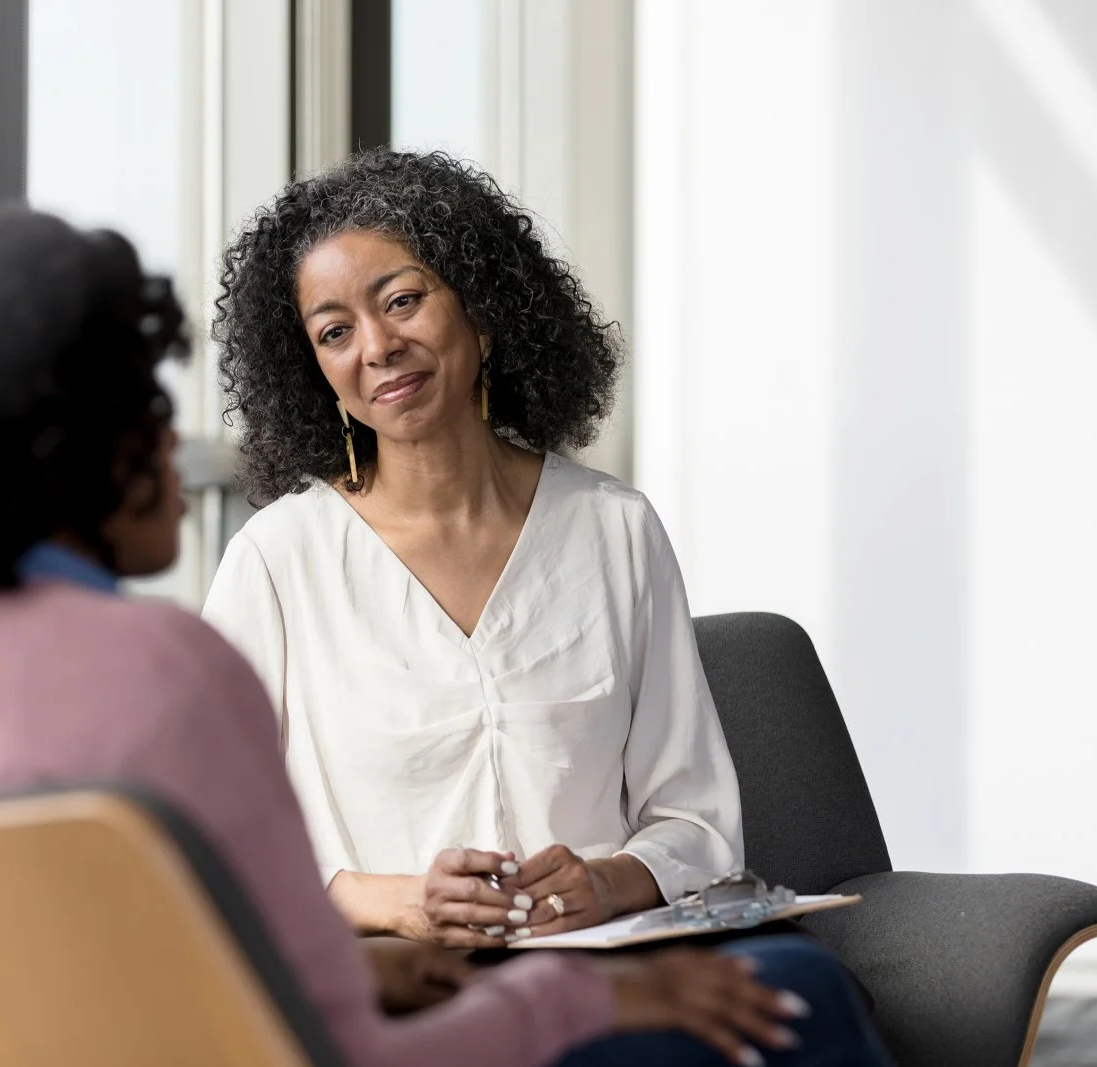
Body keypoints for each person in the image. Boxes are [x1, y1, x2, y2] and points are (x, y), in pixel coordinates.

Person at [0, 202, 891, 1067]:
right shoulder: (165, 663)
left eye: (401, 301)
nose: (181, 452)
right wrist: (590, 1000)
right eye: (143, 404)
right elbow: (327, 1038)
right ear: (50, 442)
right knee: (795, 992)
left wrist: (397, 954)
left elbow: (186, 943)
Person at [203, 149, 742, 949]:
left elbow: (696, 819)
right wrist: (397, 902)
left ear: (483, 311)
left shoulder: (615, 531)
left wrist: (607, 881)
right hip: (398, 987)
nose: (378, 346)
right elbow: (211, 841)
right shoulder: (277, 563)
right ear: (313, 368)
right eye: (335, 331)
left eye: (405, 300)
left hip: (610, 969)